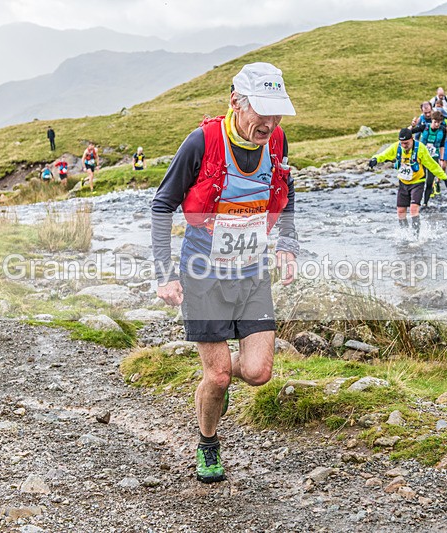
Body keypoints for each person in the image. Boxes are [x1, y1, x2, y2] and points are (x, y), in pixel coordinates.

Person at [151, 62, 298, 484]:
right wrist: (165, 273)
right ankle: (208, 441)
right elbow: (163, 204)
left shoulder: (277, 141)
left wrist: (287, 244)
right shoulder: (200, 142)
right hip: (203, 274)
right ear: (236, 102)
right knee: (217, 375)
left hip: (252, 272)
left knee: (257, 373)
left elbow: (286, 193)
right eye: (262, 113)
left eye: (278, 113)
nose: (270, 123)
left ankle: (213, 392)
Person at [368, 127, 447, 238]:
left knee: (413, 209)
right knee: (401, 211)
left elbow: (431, 164)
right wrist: (375, 159)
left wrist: (444, 178)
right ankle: (405, 235)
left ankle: (415, 237)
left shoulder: (420, 148)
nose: (404, 146)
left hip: (417, 182)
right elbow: (384, 154)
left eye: (406, 143)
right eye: (402, 143)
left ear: (412, 139)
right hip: (403, 183)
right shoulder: (397, 147)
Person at [412, 111, 447, 207]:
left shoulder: (443, 130)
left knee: (429, 181)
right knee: (420, 180)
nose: (437, 124)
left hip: (434, 157)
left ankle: (425, 203)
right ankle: (416, 201)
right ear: (431, 120)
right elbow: (409, 132)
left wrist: (441, 159)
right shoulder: (424, 127)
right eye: (435, 122)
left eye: (439, 122)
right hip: (421, 157)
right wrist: (412, 125)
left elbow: (441, 145)